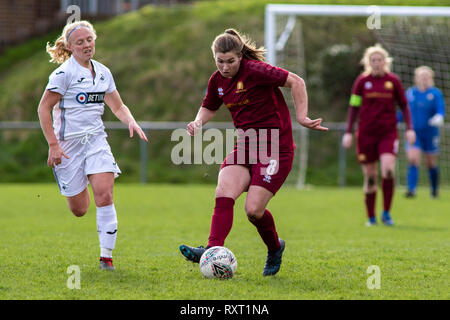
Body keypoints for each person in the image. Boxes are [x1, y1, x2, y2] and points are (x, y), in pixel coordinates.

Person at [179, 29, 327, 276]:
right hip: (246, 145)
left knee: (253, 211)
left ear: (240, 57)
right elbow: (209, 106)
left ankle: (274, 247)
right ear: (214, 57)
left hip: (276, 148)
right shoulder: (217, 81)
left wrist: (301, 116)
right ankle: (213, 250)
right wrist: (197, 122)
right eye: (220, 61)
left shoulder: (256, 71)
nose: (225, 67)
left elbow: (296, 81)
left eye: (231, 61)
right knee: (223, 194)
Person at [37, 21, 148, 270]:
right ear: (70, 47)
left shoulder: (103, 72)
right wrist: (53, 145)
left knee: (105, 193)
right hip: (68, 147)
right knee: (79, 210)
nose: (87, 45)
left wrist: (131, 121)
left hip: (96, 140)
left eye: (89, 40)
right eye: (80, 42)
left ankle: (106, 257)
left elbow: (117, 105)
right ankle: (83, 177)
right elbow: (43, 108)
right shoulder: (63, 74)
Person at [342, 44, 415, 226]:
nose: (376, 63)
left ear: (385, 62)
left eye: (379, 60)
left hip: (387, 133)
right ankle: (371, 217)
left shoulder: (393, 81)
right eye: (373, 60)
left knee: (388, 170)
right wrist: (348, 132)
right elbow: (353, 107)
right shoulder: (361, 82)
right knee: (371, 176)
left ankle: (386, 213)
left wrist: (409, 128)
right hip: (366, 134)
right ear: (368, 62)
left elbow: (404, 106)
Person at [400, 66, 445, 198]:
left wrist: (439, 117)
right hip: (414, 133)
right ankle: (411, 190)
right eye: (421, 76)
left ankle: (434, 189)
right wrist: (395, 119)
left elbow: (440, 109)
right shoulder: (411, 93)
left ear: (430, 78)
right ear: (416, 78)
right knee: (413, 159)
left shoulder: (435, 93)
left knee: (430, 162)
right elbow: (404, 111)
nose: (424, 79)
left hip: (430, 132)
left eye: (426, 76)